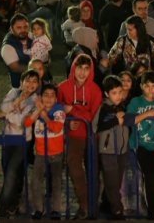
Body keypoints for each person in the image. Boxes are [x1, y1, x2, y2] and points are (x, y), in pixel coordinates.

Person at [57, 53, 102, 219]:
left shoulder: (95, 90)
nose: (82, 72)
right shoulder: (62, 88)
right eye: (79, 68)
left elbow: (94, 116)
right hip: (74, 136)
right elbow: (56, 110)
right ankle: (85, 205)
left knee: (93, 172)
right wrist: (67, 122)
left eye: (86, 68)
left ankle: (93, 206)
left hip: (91, 136)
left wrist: (73, 111)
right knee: (74, 168)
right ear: (73, 68)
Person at [0, 70, 40, 218]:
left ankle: (3, 204)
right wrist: (17, 101)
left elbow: (22, 121)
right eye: (27, 81)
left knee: (12, 171)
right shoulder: (13, 92)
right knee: (10, 172)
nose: (30, 84)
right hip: (7, 138)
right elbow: (3, 108)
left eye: (34, 81)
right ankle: (14, 203)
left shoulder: (36, 100)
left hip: (23, 141)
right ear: (21, 82)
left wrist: (9, 115)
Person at [127, 70, 154, 219]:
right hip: (141, 145)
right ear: (142, 86)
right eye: (147, 86)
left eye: (153, 86)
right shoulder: (136, 102)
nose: (150, 89)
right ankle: (152, 211)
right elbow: (129, 120)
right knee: (149, 176)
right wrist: (147, 114)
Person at [25, 84, 66, 219]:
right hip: (41, 152)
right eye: (45, 95)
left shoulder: (59, 111)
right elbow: (27, 122)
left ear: (56, 98)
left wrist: (44, 116)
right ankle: (39, 208)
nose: (48, 98)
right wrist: (39, 110)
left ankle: (56, 209)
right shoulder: (37, 109)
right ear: (40, 97)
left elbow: (56, 127)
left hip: (56, 152)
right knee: (36, 181)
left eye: (52, 95)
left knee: (56, 182)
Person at [95, 75, 131, 221]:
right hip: (108, 150)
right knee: (112, 181)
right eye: (114, 93)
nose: (118, 96)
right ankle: (117, 209)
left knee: (117, 179)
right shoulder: (104, 108)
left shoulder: (123, 105)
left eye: (120, 92)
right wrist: (116, 119)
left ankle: (106, 203)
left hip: (122, 149)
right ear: (106, 94)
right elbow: (99, 126)